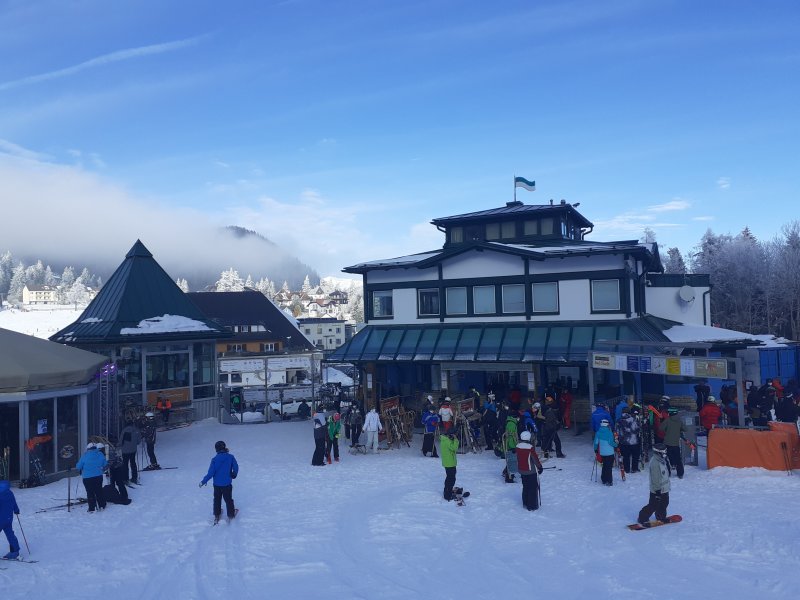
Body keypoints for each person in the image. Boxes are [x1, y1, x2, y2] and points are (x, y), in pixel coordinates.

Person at [199, 441, 239, 524]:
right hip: (227, 484)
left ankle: (217, 515)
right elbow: (236, 466)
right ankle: (231, 514)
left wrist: (204, 481)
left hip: (217, 485)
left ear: (216, 449)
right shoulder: (230, 457)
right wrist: (234, 474)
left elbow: (210, 473)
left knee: (217, 499)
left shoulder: (214, 459)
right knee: (228, 500)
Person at [637, 443, 670, 525]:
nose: (665, 454)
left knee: (664, 503)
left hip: (664, 488)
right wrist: (657, 491)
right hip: (657, 489)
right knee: (653, 505)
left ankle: (661, 516)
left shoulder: (662, 460)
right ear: (658, 452)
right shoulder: (655, 463)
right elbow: (655, 479)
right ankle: (642, 517)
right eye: (663, 452)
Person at [516, 430, 544, 511]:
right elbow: (535, 459)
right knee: (532, 487)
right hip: (530, 471)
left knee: (525, 486)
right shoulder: (529, 447)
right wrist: (540, 467)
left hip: (522, 470)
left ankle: (525, 502)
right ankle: (532, 505)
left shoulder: (517, 446)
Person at [76, 442, 108, 512]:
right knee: (99, 491)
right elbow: (105, 464)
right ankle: (102, 505)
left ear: (88, 448)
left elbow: (78, 466)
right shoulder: (100, 454)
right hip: (98, 476)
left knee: (90, 492)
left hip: (87, 478)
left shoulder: (85, 455)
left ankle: (92, 508)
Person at [659, 407, 687, 479]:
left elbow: (661, 428)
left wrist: (663, 423)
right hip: (676, 443)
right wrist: (679, 430)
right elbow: (685, 429)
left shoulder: (667, 420)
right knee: (678, 458)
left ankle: (668, 472)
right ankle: (680, 473)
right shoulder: (679, 421)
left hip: (667, 443)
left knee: (667, 458)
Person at [615, 407, 641, 473]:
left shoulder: (618, 421)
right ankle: (634, 468)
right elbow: (637, 430)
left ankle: (626, 469)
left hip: (623, 442)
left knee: (626, 456)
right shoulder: (633, 419)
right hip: (634, 441)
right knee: (635, 456)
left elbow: (616, 432)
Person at [0, 479, 21, 559]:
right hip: (8, 519)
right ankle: (15, 552)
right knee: (10, 534)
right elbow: (14, 503)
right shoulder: (10, 493)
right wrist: (16, 510)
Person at [593, 419, 618, 486]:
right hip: (610, 453)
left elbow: (596, 442)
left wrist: (595, 449)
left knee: (604, 465)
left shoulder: (598, 432)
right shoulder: (609, 432)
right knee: (609, 467)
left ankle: (603, 479)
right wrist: (616, 445)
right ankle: (609, 481)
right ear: (606, 424)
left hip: (603, 453)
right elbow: (611, 442)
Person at [118, 418, 141, 484]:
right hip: (133, 450)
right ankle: (134, 477)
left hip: (125, 451)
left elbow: (121, 441)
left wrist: (118, 445)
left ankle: (125, 478)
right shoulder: (136, 430)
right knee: (133, 463)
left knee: (125, 464)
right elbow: (138, 442)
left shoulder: (124, 430)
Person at [440, 429, 459, 501]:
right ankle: (448, 495)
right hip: (449, 463)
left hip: (448, 462)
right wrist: (456, 440)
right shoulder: (447, 441)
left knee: (449, 478)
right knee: (451, 479)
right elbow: (454, 448)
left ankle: (447, 491)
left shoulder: (445, 439)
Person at [502, 412, 519, 483]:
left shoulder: (511, 422)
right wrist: (514, 445)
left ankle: (506, 472)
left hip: (510, 443)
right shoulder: (512, 424)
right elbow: (511, 435)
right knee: (512, 459)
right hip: (511, 444)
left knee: (511, 459)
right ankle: (509, 476)